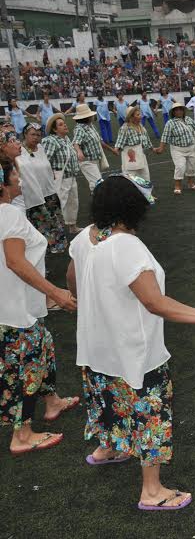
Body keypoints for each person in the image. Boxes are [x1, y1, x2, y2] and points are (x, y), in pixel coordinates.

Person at [67, 174, 195, 510]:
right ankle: (152, 491)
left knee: (109, 399)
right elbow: (154, 302)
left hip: (98, 345)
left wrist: (93, 301)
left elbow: (72, 277)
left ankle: (108, 448)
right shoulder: (126, 244)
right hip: (132, 349)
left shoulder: (88, 238)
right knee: (150, 413)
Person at [0, 145, 79, 457]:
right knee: (24, 369)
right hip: (15, 309)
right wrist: (54, 292)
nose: (19, 179)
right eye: (14, 174)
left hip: (16, 304)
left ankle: (52, 402)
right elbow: (16, 263)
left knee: (42, 350)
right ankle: (22, 435)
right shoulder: (9, 214)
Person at [14, 124, 67, 254]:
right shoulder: (19, 151)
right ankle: (48, 246)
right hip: (34, 194)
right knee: (43, 222)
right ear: (25, 134)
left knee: (55, 219)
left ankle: (60, 243)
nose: (36, 137)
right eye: (32, 134)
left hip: (49, 191)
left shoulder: (41, 149)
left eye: (38, 135)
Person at [42, 114, 83, 234]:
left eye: (63, 123)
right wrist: (50, 176)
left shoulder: (66, 139)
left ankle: (72, 226)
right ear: (54, 129)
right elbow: (45, 161)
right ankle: (54, 233)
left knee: (72, 203)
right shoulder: (50, 140)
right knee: (58, 205)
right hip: (59, 178)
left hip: (71, 177)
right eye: (60, 124)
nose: (65, 125)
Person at [155, 103, 195, 195]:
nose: (179, 111)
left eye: (180, 109)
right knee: (180, 167)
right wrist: (161, 148)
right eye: (176, 110)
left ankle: (191, 183)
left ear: (183, 110)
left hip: (191, 148)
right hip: (177, 149)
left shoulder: (188, 119)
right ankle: (177, 186)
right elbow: (165, 136)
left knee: (191, 167)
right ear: (173, 112)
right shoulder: (170, 123)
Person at [71, 104, 114, 192]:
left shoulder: (91, 126)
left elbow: (100, 141)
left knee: (96, 184)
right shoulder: (80, 128)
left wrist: (112, 150)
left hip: (95, 160)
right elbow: (76, 142)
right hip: (87, 161)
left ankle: (97, 202)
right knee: (97, 183)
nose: (93, 116)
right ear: (86, 117)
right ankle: (98, 202)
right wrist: (79, 151)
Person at [114, 107, 158, 182]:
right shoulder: (125, 128)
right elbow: (119, 142)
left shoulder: (141, 127)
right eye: (138, 115)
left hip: (141, 156)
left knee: (145, 177)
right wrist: (116, 149)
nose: (140, 116)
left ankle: (146, 193)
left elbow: (147, 141)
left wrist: (153, 149)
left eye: (140, 114)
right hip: (130, 159)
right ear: (131, 117)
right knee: (130, 180)